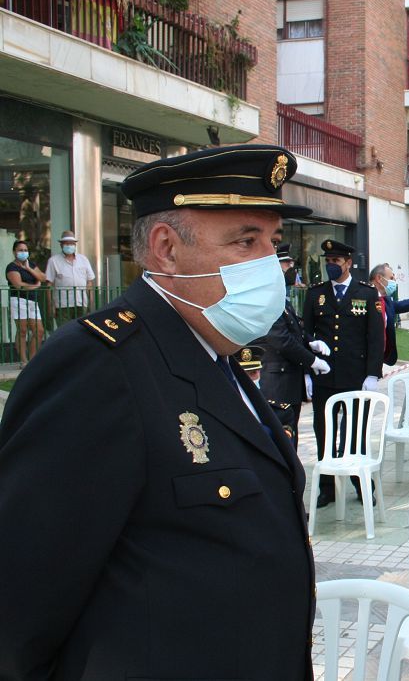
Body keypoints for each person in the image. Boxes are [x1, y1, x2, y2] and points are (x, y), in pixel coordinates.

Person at [0, 144, 317, 680]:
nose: (271, 263)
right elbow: (20, 604)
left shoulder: (214, 350)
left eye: (273, 242)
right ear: (165, 249)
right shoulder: (98, 367)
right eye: (246, 241)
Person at [303, 239, 384, 507]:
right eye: (328, 262)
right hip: (325, 376)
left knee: (356, 432)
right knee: (323, 431)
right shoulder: (316, 294)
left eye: (336, 262)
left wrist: (373, 374)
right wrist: (308, 367)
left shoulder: (367, 293)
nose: (331, 266)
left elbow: (375, 338)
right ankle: (327, 487)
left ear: (348, 263)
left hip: (354, 375)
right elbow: (306, 333)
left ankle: (361, 484)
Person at [254, 243, 332, 445]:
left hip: (288, 380)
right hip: (277, 384)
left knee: (291, 438)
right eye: (286, 263)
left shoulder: (279, 297)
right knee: (282, 440)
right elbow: (281, 339)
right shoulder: (266, 299)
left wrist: (311, 341)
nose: (291, 268)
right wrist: (312, 361)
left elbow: (294, 329)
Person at [368, 262, 409, 367]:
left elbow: (403, 305)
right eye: (391, 277)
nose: (394, 280)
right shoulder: (364, 297)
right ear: (379, 278)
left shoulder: (385, 300)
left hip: (378, 360)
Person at [6, 240, 47, 367]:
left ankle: (32, 360)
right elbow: (18, 285)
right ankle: (23, 360)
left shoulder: (31, 264)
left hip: (32, 301)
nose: (23, 253)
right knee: (22, 330)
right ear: (14, 252)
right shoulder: (11, 267)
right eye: (20, 250)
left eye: (25, 250)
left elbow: (43, 278)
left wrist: (29, 268)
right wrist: (35, 286)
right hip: (18, 300)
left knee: (39, 330)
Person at [45, 230, 96, 325]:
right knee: (64, 332)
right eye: (66, 243)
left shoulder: (83, 259)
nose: (69, 246)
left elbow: (89, 282)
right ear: (61, 245)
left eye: (71, 243)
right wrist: (51, 305)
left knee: (82, 331)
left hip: (81, 302)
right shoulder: (53, 261)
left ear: (75, 245)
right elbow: (49, 284)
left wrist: (91, 302)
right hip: (63, 304)